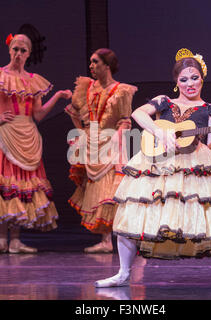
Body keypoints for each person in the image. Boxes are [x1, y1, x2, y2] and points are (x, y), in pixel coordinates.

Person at [95, 48, 211, 289]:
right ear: (176, 82)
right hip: (157, 164)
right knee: (132, 215)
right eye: (183, 79)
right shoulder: (164, 101)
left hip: (193, 166)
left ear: (202, 79)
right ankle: (123, 273)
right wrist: (159, 131)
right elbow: (138, 114)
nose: (189, 83)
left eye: (194, 77)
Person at [0, 34, 72, 254]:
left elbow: (38, 114)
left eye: (23, 50)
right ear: (9, 50)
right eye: (15, 49)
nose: (18, 54)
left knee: (21, 187)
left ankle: (15, 241)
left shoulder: (34, 80)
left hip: (28, 134)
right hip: (6, 134)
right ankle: (2, 239)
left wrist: (58, 96)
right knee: (4, 185)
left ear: (29, 53)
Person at [65, 48, 137, 253]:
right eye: (91, 62)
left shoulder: (121, 90)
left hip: (112, 142)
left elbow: (125, 120)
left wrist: (117, 135)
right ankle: (106, 241)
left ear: (107, 65)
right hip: (91, 144)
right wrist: (81, 133)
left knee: (112, 190)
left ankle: (131, 239)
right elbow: (75, 112)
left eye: (95, 62)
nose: (91, 66)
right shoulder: (87, 88)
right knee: (96, 190)